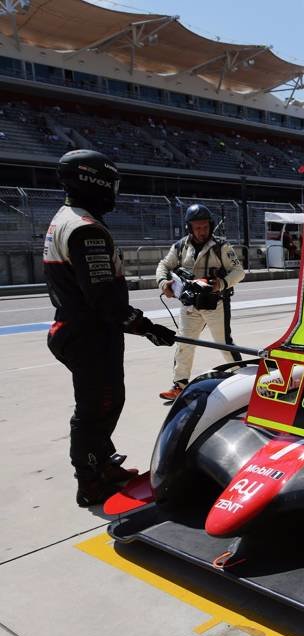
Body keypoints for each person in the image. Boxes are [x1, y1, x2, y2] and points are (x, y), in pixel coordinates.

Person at [43, 149, 176, 507]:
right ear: (95, 181)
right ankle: (89, 481)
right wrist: (146, 327)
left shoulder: (66, 218)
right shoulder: (87, 231)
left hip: (76, 329)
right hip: (89, 335)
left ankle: (102, 463)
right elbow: (105, 301)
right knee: (95, 407)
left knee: (106, 401)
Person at [156, 204, 244, 400]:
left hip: (216, 303)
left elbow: (239, 272)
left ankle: (243, 381)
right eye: (197, 227)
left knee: (224, 343)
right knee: (184, 342)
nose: (202, 231)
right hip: (190, 305)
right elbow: (164, 265)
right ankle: (179, 385)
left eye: (205, 227)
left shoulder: (221, 246)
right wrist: (164, 283)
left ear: (210, 226)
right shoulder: (180, 247)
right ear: (189, 227)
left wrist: (221, 283)